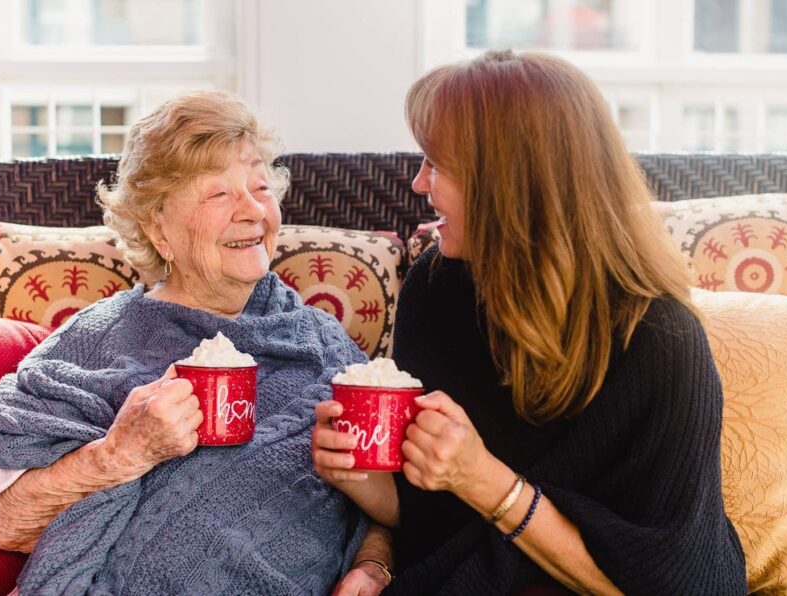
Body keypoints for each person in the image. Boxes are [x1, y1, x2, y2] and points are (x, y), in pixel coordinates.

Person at [312, 50, 747, 594]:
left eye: (438, 164)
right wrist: (367, 484)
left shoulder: (661, 339)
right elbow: (443, 524)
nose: (420, 184)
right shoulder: (435, 287)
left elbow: (673, 581)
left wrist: (483, 479)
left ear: (512, 183)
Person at [0, 90, 391, 595]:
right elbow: (10, 522)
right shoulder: (96, 341)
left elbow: (393, 502)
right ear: (158, 227)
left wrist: (373, 565)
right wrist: (122, 452)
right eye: (218, 194)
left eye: (260, 186)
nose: (253, 210)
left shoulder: (324, 345)